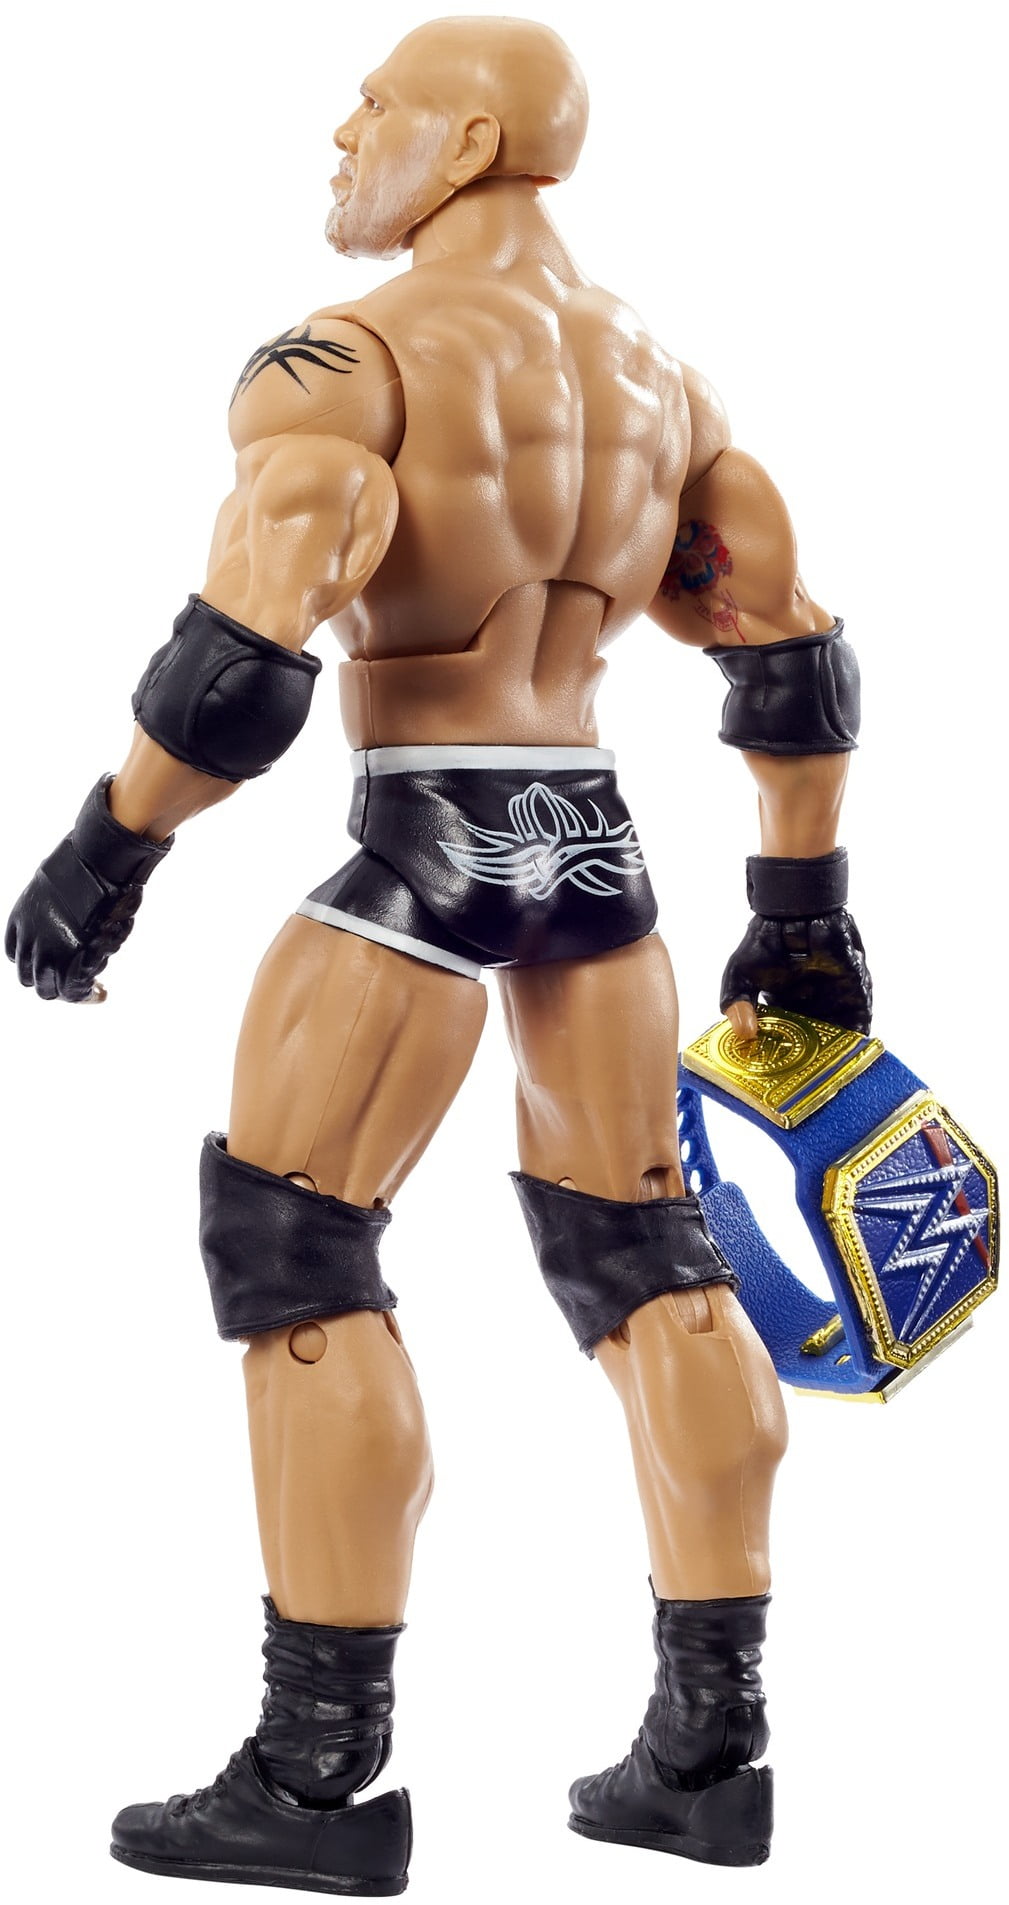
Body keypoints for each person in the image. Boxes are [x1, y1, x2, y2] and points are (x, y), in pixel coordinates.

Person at [5, 16, 870, 1895]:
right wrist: (802, 911)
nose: (344, 132)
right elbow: (789, 657)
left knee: (297, 1242)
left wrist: (107, 845)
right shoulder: (663, 385)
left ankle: (315, 1780)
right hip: (595, 847)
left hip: (430, 832)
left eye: (378, 104)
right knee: (644, 1250)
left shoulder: (353, 357)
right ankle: (709, 1755)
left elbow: (252, 639)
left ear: (469, 141)